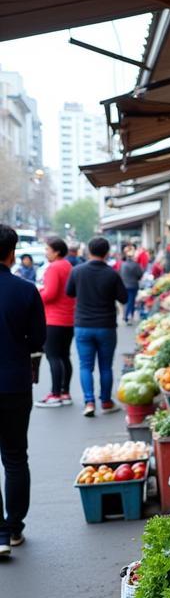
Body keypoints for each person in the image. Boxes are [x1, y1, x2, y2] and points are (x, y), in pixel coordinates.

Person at [0, 224, 46, 556]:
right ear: (12, 252)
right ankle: (13, 529)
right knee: (15, 457)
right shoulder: (26, 290)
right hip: (15, 382)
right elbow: (39, 340)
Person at [66, 235, 126, 417]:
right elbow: (124, 298)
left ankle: (89, 403)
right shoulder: (112, 273)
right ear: (107, 253)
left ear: (89, 251)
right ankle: (106, 402)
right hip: (106, 326)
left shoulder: (77, 271)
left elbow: (69, 292)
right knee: (106, 366)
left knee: (85, 366)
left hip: (83, 325)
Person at [35, 237, 76, 408]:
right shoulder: (68, 266)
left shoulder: (53, 268)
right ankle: (65, 392)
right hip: (69, 318)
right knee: (64, 356)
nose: (46, 253)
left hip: (53, 319)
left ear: (56, 251)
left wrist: (37, 295)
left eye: (47, 250)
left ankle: (55, 394)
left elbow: (50, 294)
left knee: (53, 356)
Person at [120, 244, 143, 324]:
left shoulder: (123, 265)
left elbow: (120, 274)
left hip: (125, 285)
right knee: (131, 301)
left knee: (128, 301)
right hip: (133, 285)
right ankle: (127, 316)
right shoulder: (135, 265)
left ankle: (129, 315)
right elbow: (140, 275)